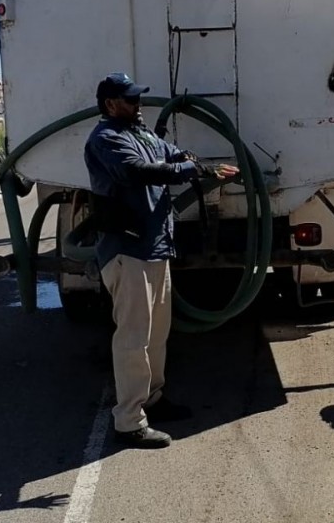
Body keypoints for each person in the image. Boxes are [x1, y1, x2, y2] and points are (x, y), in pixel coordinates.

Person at [84, 73, 238, 449]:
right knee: (133, 338)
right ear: (110, 105)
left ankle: (152, 398)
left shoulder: (143, 135)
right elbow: (137, 172)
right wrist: (187, 170)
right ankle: (129, 421)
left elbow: (171, 155)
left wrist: (197, 163)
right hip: (127, 250)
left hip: (154, 246)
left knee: (156, 334)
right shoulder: (106, 140)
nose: (138, 106)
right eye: (130, 100)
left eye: (137, 99)